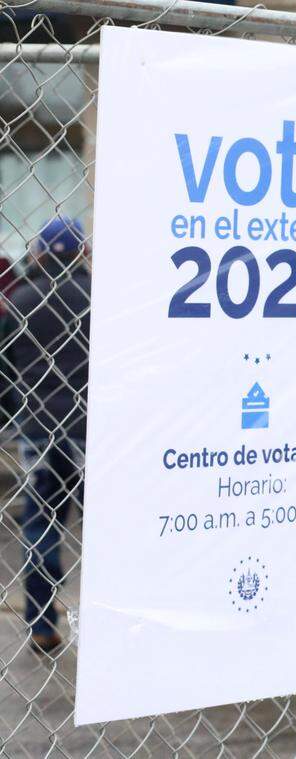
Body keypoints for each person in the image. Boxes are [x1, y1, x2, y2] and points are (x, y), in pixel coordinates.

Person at [0, 217, 90, 656]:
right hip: (91, 427)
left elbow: (7, 363)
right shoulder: (98, 298)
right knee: (106, 523)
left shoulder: (21, 299)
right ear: (82, 253)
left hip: (38, 426)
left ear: (37, 252)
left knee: (40, 520)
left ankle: (41, 622)